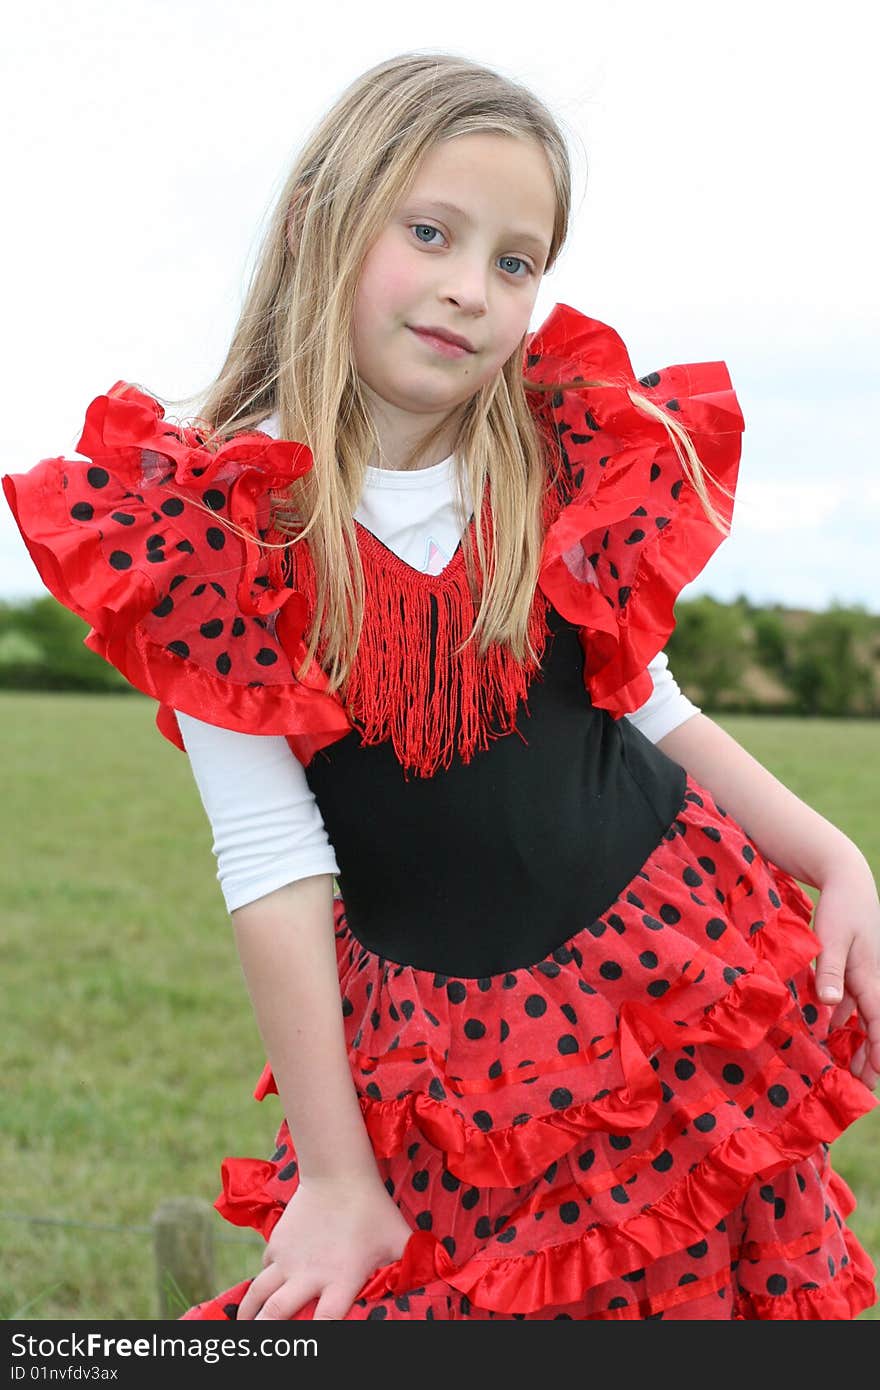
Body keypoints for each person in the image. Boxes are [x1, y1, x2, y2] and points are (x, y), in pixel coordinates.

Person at [4, 50, 879, 1323]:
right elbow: (268, 855)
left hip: (669, 981)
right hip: (443, 1057)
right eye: (431, 234)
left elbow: (647, 706)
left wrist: (836, 857)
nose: (472, 290)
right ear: (323, 222)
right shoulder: (212, 530)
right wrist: (343, 1177)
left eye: (515, 261)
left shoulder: (561, 456)